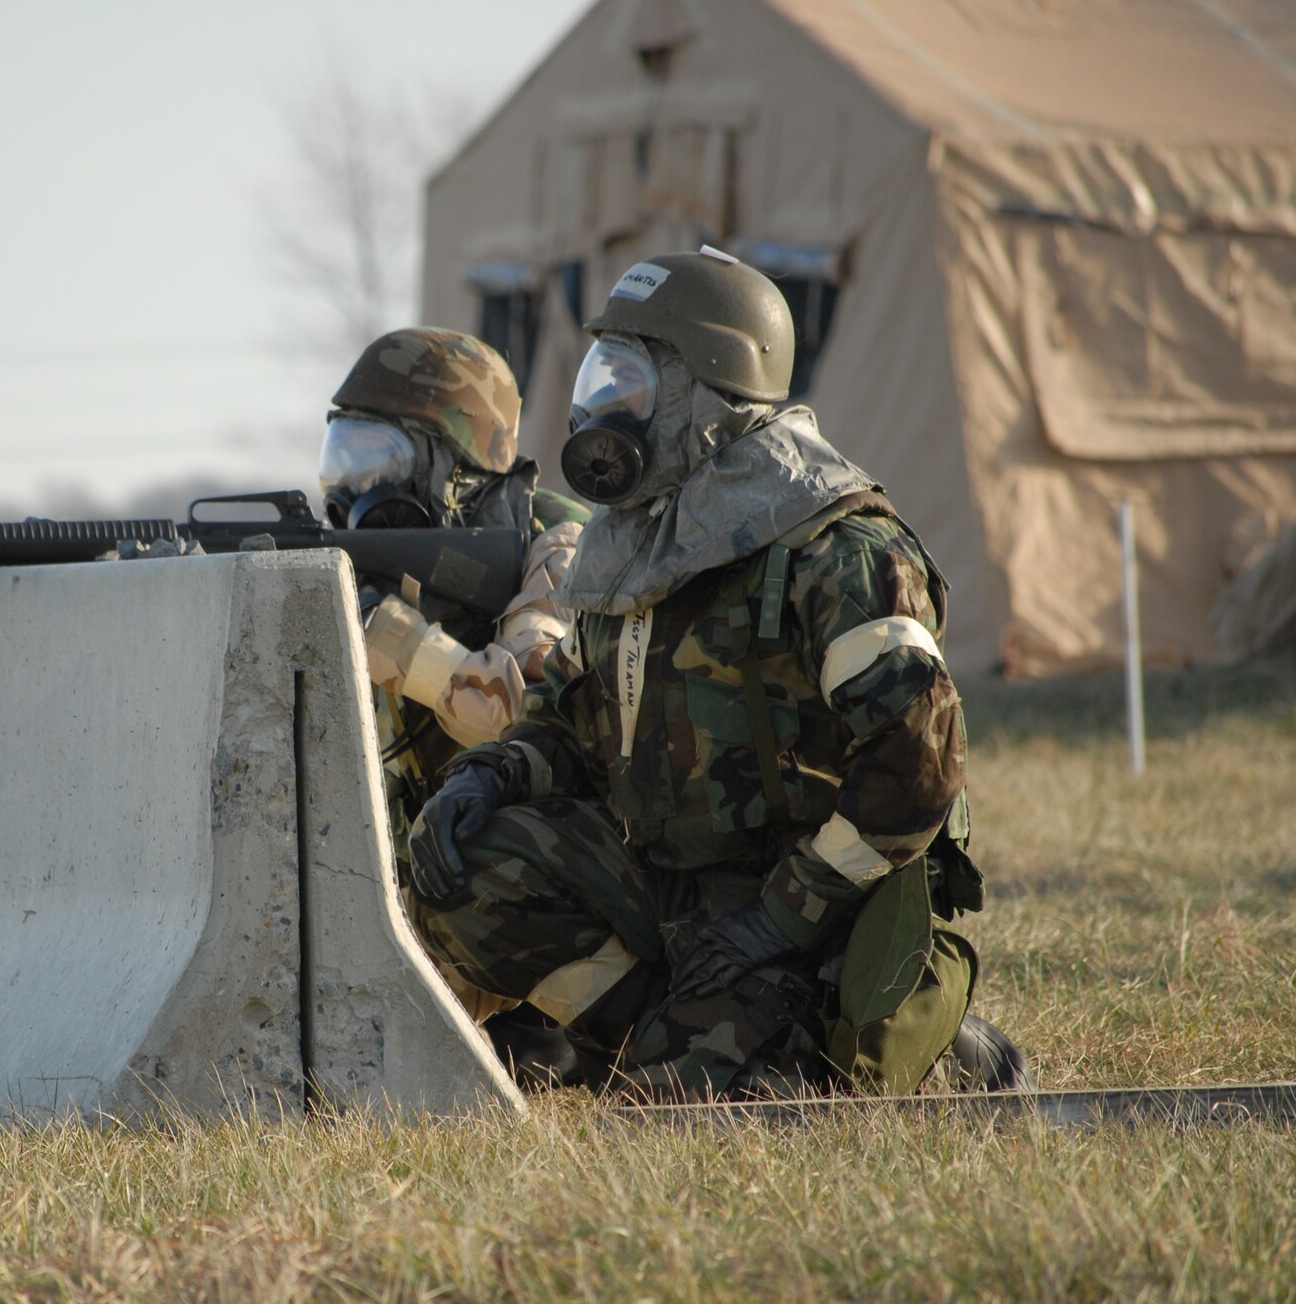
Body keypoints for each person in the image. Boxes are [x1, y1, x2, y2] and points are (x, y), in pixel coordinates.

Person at [404, 248, 1029, 1100]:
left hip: (812, 911)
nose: (601, 406)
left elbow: (918, 772)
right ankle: (652, 1036)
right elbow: (564, 718)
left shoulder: (835, 547)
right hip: (672, 887)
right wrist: (486, 773)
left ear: (706, 394)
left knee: (698, 1117)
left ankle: (938, 1051)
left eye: (628, 380)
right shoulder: (630, 541)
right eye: (602, 375)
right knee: (469, 869)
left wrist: (777, 919)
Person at [316, 326, 590, 1069]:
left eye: (381, 461)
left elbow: (528, 711)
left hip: (558, 874)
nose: (355, 490)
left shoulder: (563, 547)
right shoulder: (383, 573)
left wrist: (397, 644)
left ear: (454, 470)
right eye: (342, 461)